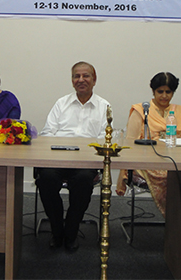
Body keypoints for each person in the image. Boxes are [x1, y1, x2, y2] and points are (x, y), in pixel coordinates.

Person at [36, 61, 109, 252]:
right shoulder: (61, 103)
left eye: (86, 76)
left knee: (84, 181)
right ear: (72, 80)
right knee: (47, 178)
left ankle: (71, 229)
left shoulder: (104, 106)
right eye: (77, 76)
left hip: (86, 161)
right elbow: (47, 133)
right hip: (58, 157)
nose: (81, 80)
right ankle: (56, 228)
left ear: (94, 80)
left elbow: (104, 138)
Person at [115, 72, 181, 217]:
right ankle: (174, 216)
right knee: (168, 176)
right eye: (160, 91)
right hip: (146, 161)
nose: (164, 96)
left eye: (168, 92)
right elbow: (129, 142)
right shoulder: (141, 111)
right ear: (153, 91)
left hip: (176, 159)